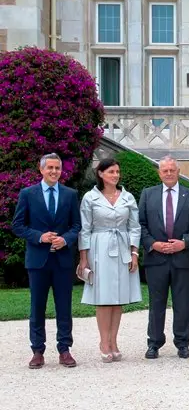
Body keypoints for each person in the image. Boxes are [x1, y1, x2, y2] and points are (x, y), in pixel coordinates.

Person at [11, 153, 81, 369]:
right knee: (37, 307)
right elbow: (18, 225)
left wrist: (65, 240)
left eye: (57, 168)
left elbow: (76, 226)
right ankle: (37, 351)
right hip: (38, 260)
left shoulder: (70, 194)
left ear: (61, 170)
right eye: (50, 168)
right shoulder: (28, 194)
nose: (53, 171)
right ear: (41, 169)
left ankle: (64, 349)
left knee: (64, 307)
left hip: (62, 260)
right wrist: (39, 237)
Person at [138, 155, 189, 359]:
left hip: (183, 258)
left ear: (178, 171)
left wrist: (184, 243)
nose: (168, 173)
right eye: (164, 170)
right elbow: (140, 225)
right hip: (156, 258)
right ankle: (154, 343)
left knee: (183, 304)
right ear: (159, 173)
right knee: (156, 303)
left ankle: (182, 343)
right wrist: (153, 244)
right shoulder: (147, 195)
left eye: (172, 170)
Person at [77, 158, 142, 363]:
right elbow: (85, 229)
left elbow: (135, 227)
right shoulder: (90, 198)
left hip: (122, 246)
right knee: (104, 298)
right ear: (101, 174)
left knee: (118, 298)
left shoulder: (128, 197)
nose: (116, 175)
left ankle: (114, 341)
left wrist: (134, 253)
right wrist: (84, 258)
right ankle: (103, 342)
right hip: (100, 248)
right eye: (111, 171)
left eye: (117, 172)